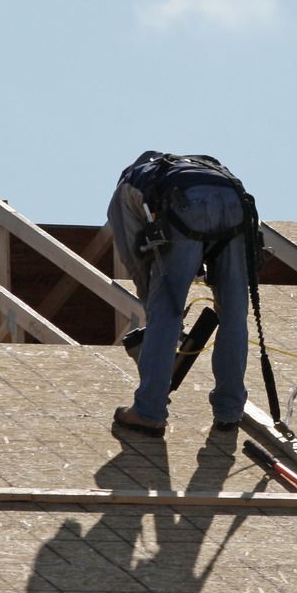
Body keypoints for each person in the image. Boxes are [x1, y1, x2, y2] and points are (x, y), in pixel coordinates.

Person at [107, 151, 253, 438]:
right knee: (235, 311)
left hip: (184, 204)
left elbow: (137, 262)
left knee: (166, 311)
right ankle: (229, 412)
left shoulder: (126, 189)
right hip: (235, 202)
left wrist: (156, 310)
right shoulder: (201, 167)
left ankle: (149, 412)